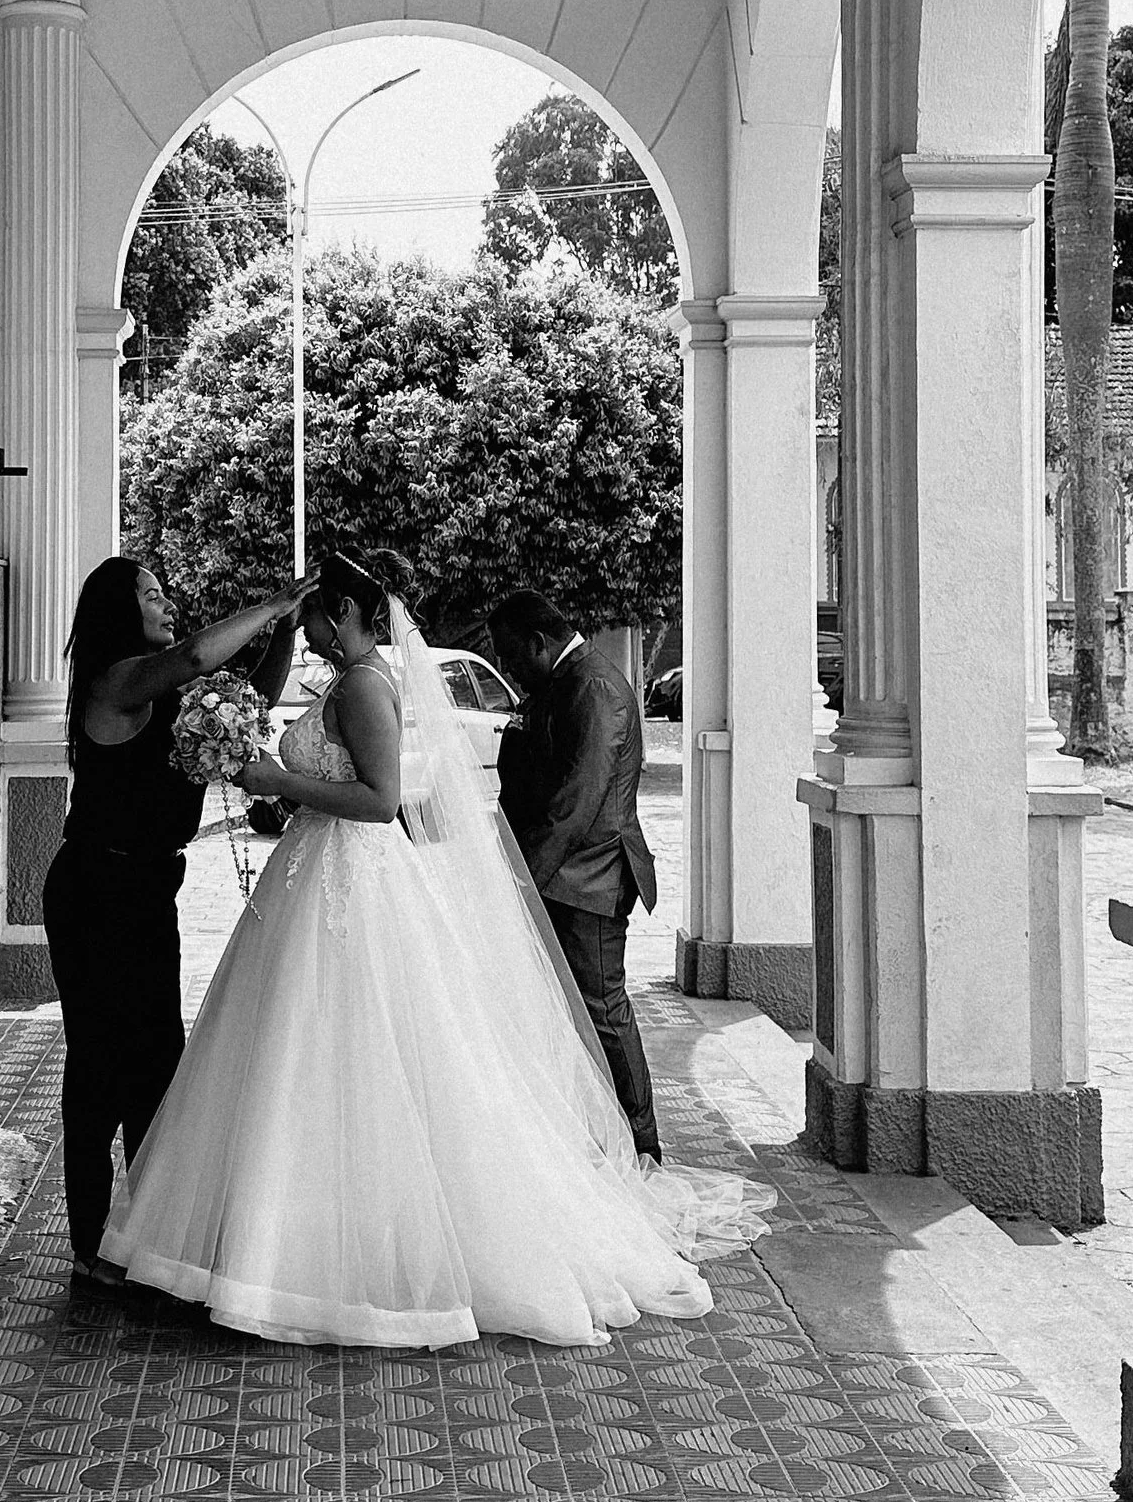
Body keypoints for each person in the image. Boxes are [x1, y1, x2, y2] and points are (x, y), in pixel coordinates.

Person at [101, 542, 770, 1345]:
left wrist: (280, 782)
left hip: (351, 880)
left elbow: (381, 801)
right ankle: (287, 1239)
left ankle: (329, 1256)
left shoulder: (363, 685)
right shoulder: (350, 679)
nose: (307, 626)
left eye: (313, 613)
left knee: (356, 1056)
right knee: (300, 1057)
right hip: (321, 875)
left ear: (343, 614)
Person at [45, 554, 315, 1282]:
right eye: (153, 593)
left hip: (146, 886)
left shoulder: (171, 692)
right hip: (96, 887)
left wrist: (282, 632)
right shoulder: (117, 679)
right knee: (101, 1061)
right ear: (117, 609)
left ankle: (152, 1229)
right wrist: (272, 599)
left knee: (157, 1059)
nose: (169, 602)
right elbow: (195, 652)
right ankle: (90, 1238)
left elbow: (249, 696)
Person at [487, 587, 663, 1161]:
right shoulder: (567, 683)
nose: (511, 672)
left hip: (588, 879)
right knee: (575, 1009)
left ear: (539, 642)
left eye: (513, 658)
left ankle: (642, 1147)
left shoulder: (592, 687)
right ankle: (596, 1132)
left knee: (603, 1010)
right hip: (566, 876)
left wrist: (519, 882)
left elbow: (574, 803)